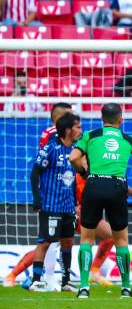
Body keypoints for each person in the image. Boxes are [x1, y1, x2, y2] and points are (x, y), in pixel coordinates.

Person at [69, 105, 132, 299]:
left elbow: (73, 157)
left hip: (94, 185)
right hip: (117, 187)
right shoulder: (128, 139)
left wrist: (83, 173)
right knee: (121, 240)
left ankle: (83, 288)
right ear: (120, 119)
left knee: (87, 239)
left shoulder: (90, 135)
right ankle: (126, 288)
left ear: (102, 118)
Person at [29, 112, 80, 292]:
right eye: (78, 127)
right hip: (50, 205)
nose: (80, 130)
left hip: (67, 206)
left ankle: (66, 281)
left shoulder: (75, 150)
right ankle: (36, 280)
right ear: (68, 130)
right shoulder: (50, 148)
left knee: (68, 242)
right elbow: (34, 172)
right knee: (45, 242)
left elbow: (73, 178)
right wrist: (37, 199)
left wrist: (75, 203)